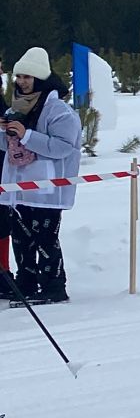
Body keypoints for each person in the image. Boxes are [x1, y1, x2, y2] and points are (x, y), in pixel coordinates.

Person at [2, 48, 82, 305]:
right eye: (19, 77)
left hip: (48, 187)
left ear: (40, 79)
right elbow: (8, 147)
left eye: (27, 77)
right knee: (21, 236)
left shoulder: (58, 109)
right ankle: (26, 283)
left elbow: (63, 147)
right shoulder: (17, 106)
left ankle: (53, 286)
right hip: (20, 185)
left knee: (45, 238)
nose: (22, 82)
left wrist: (26, 135)